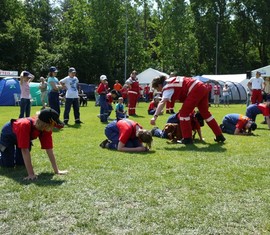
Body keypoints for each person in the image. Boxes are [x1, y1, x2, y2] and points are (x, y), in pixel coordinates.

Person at [150, 75, 225, 144]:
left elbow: (162, 102)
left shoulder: (167, 87)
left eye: (157, 88)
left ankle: (187, 138)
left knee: (183, 114)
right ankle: (219, 135)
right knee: (205, 113)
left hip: (195, 89)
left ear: (159, 85)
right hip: (202, 86)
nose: (159, 91)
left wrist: (155, 116)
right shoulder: (171, 80)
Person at [0, 108, 68, 180]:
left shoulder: (46, 129)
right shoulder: (25, 125)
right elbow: (24, 150)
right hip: (8, 135)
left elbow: (49, 149)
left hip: (23, 136)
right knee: (7, 164)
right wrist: (31, 174)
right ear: (45, 124)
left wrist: (57, 170)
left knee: (21, 163)